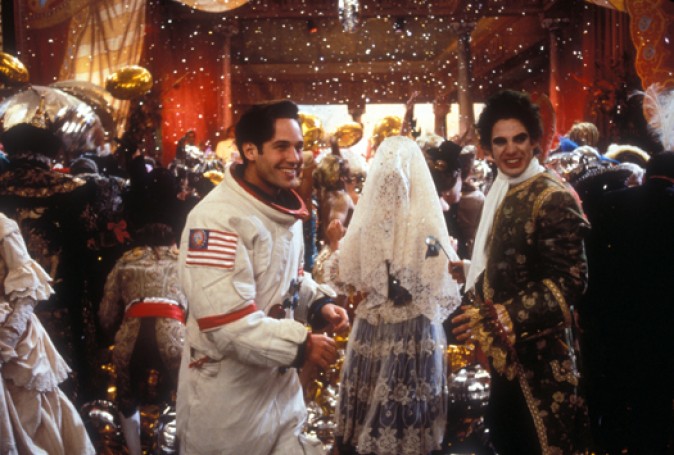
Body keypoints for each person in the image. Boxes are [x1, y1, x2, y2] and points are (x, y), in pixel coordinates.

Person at [176, 99, 349, 454]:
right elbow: (226, 323)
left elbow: (288, 280)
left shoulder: (282, 211)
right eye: (282, 146)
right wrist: (301, 345)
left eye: (298, 146)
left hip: (280, 395)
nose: (295, 157)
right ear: (250, 151)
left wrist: (318, 304)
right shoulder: (217, 219)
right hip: (229, 403)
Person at [451, 90, 590, 454]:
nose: (510, 149)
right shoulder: (503, 187)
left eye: (519, 138)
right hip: (507, 363)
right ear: (488, 148)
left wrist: (503, 316)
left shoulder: (551, 195)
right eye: (500, 141)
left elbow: (571, 282)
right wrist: (473, 284)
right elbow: (506, 259)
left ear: (534, 142)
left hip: (543, 366)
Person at [322, 135, 462, 454]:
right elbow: (439, 282)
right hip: (410, 329)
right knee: (405, 415)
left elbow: (341, 274)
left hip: (372, 327)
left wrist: (337, 247)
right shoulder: (424, 225)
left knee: (373, 408)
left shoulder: (367, 225)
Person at [98, 168, 188, 455]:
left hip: (130, 338)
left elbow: (106, 315)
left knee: (127, 401)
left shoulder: (125, 260)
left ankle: (135, 450)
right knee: (184, 400)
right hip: (176, 338)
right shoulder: (185, 261)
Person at [0, 212, 95, 454]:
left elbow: (28, 292)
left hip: (14, 341)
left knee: (31, 421)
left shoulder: (3, 227)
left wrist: (7, 337)